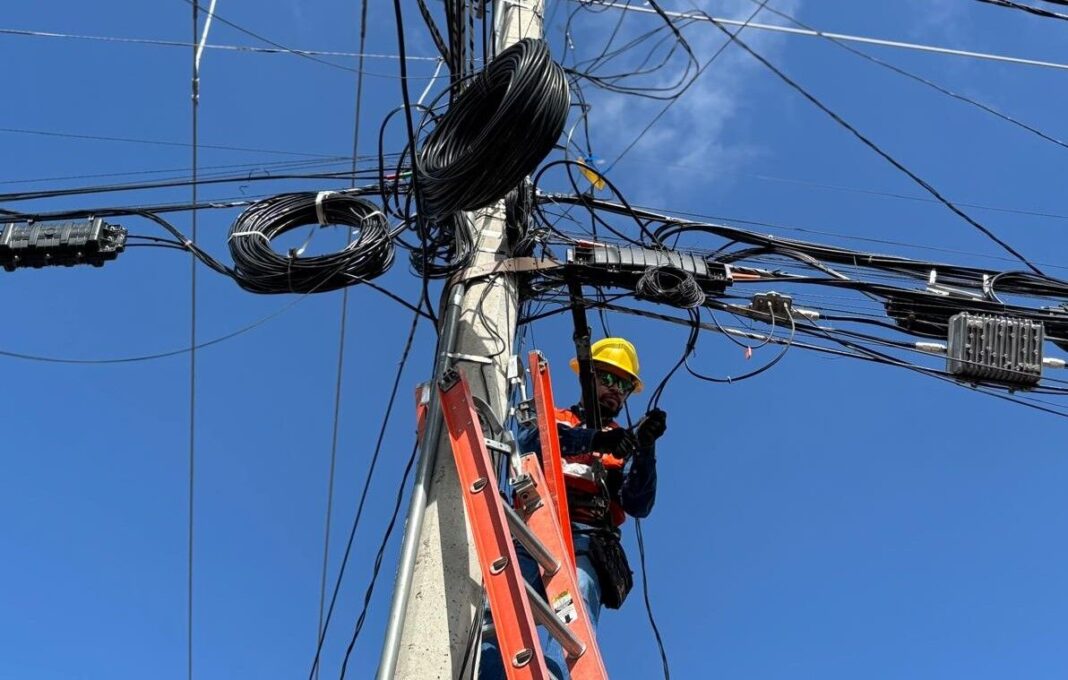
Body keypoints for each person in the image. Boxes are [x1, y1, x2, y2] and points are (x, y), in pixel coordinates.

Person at [479, 337, 668, 679]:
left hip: (586, 540)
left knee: (573, 612)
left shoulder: (622, 444)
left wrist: (646, 450)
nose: (616, 390)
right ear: (588, 377)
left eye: (624, 384)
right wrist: (594, 439)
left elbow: (637, 504)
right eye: (608, 378)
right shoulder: (555, 417)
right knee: (498, 614)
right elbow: (532, 443)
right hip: (531, 533)